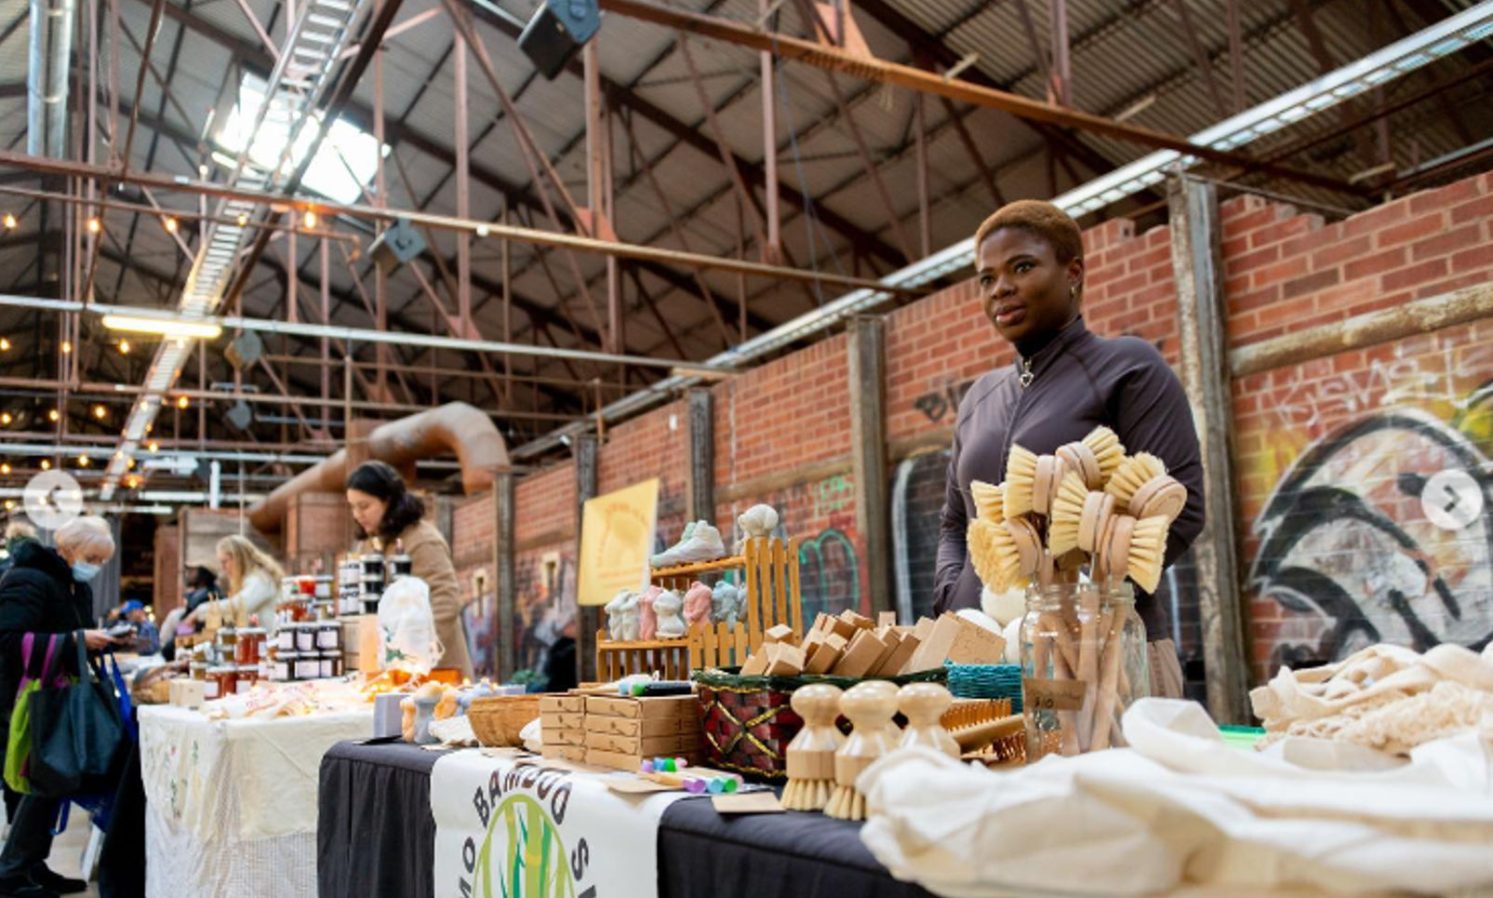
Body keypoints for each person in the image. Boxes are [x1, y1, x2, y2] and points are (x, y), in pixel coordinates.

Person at [933, 200, 1204, 698]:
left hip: (1103, 661)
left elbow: (1181, 510)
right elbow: (956, 523)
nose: (1001, 289)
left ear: (1073, 271)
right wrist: (955, 599)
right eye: (986, 279)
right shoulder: (978, 399)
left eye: (1022, 267)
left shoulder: (1128, 369)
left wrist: (1076, 609)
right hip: (981, 667)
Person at [0, 516, 119, 897]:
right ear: (66, 549)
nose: (96, 567)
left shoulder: (73, 586)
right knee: (36, 781)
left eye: (102, 560)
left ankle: (31, 865)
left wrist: (100, 640)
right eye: (92, 557)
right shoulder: (28, 580)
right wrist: (75, 639)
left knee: (52, 780)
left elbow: (75, 636)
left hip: (54, 695)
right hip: (24, 700)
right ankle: (12, 872)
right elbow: (8, 639)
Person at [346, 461, 474, 679]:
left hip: (436, 674)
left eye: (364, 506)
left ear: (388, 500)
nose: (357, 514)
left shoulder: (423, 541)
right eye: (353, 506)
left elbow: (445, 601)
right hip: (391, 671)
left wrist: (413, 655)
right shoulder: (370, 544)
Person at [185, 536, 282, 636]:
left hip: (269, 644)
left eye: (225, 562)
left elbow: (239, 606)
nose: (223, 568)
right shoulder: (252, 579)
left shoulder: (261, 579)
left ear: (238, 558)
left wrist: (200, 611)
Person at [540, 608, 578, 693]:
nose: (575, 627)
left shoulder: (567, 645)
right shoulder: (563, 646)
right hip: (561, 689)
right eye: (572, 624)